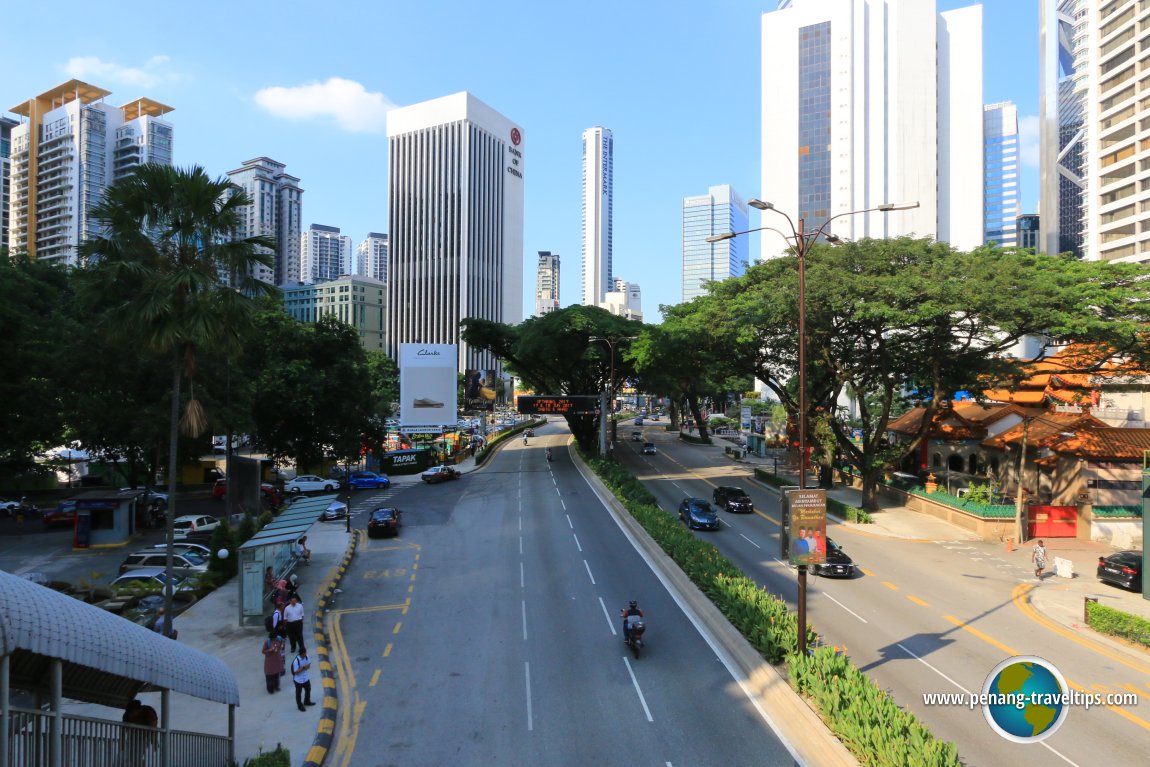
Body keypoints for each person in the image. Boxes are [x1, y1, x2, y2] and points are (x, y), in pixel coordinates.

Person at [121, 698, 158, 766]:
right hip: (132, 735)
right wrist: (123, 745)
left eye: (132, 712)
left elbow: (154, 727)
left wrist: (154, 742)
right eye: (129, 713)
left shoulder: (148, 712)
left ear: (138, 709)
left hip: (145, 736)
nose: (130, 714)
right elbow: (124, 729)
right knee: (129, 756)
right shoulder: (126, 715)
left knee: (138, 755)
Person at [291, 648, 317, 712]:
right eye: (304, 653)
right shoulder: (296, 661)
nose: (306, 654)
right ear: (301, 654)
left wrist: (306, 667)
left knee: (308, 689)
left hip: (305, 678)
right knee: (298, 693)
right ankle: (299, 705)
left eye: (306, 653)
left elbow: (309, 665)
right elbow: (296, 672)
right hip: (298, 680)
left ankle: (307, 701)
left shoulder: (306, 657)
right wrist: (303, 668)